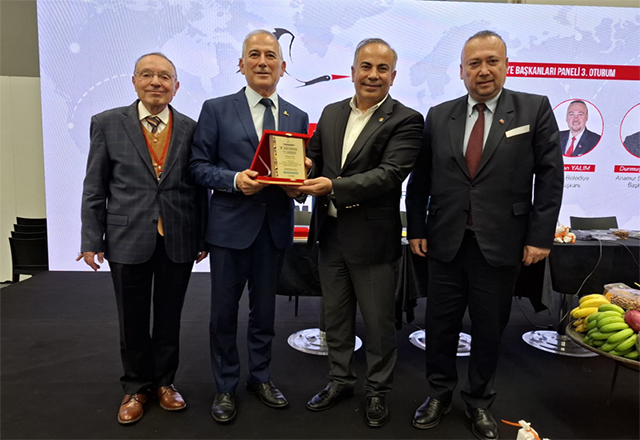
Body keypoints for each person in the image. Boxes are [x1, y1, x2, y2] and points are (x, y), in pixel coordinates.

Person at [405, 31, 563, 440]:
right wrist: (416, 227)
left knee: (489, 328)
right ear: (461, 71)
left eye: (492, 61)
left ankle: (478, 402)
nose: (483, 70)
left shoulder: (534, 109)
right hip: (445, 241)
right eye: (474, 63)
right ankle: (438, 394)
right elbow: (420, 178)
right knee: (440, 325)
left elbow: (550, 178)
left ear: (507, 65)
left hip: (501, 242)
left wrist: (540, 236)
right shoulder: (439, 115)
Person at [298, 38, 423, 428]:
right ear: (352, 72)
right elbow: (314, 158)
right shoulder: (331, 112)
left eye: (382, 68)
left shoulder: (407, 120)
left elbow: (389, 174)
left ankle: (377, 392)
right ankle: (340, 380)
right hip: (331, 235)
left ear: (393, 76)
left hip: (373, 241)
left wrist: (332, 186)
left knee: (379, 324)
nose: (372, 75)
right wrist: (298, 169)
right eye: (365, 66)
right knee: (334, 319)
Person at [78, 53, 208, 425]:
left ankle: (165, 382)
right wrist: (91, 239)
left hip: (177, 238)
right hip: (126, 236)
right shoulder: (106, 123)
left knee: (169, 316)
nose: (156, 82)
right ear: (134, 81)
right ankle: (135, 386)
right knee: (131, 318)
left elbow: (199, 190)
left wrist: (203, 237)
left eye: (164, 77)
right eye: (147, 75)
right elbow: (94, 187)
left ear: (176, 86)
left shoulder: (191, 128)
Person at [189, 29, 309, 423]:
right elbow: (197, 167)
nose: (262, 62)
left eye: (270, 55)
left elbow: (297, 175)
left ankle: (260, 377)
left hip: (274, 230)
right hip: (229, 230)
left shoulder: (296, 116)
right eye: (254, 55)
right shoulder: (216, 109)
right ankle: (225, 385)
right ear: (241, 64)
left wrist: (300, 184)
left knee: (265, 314)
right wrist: (234, 180)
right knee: (223, 314)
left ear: (283, 66)